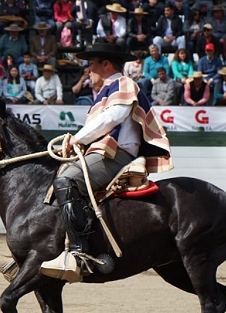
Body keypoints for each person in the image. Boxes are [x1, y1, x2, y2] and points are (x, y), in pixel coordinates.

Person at [45, 42, 171, 269]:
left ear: (106, 64)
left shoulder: (123, 83)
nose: (88, 70)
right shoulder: (106, 90)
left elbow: (114, 116)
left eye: (92, 64)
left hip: (115, 155)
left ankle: (79, 254)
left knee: (66, 180)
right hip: (104, 153)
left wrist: (78, 139)